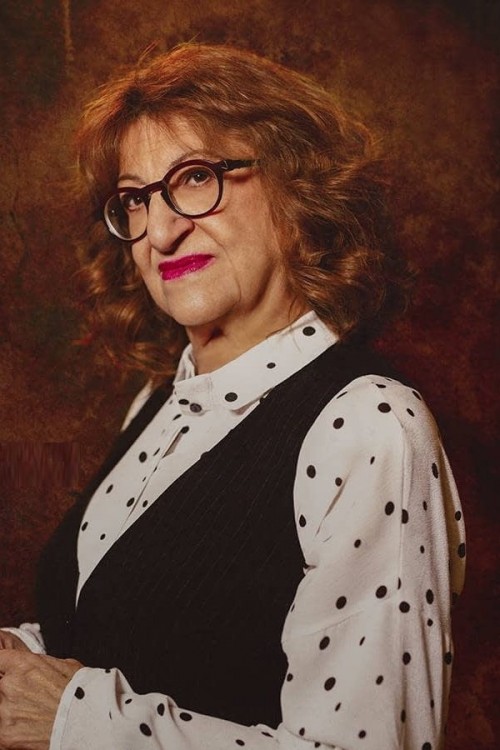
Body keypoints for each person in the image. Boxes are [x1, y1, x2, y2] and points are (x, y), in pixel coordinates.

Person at [0, 43, 465, 750]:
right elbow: (126, 637)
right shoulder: (157, 399)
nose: (161, 232)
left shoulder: (369, 426)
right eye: (135, 199)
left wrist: (75, 720)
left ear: (297, 186)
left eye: (195, 177)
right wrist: (20, 663)